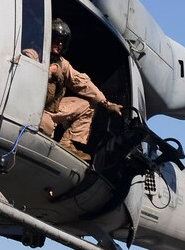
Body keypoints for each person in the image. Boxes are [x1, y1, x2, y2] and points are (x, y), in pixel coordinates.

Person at [39, 18, 123, 163]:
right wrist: (49, 71)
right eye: (56, 39)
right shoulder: (34, 53)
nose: (59, 44)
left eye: (62, 42)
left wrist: (107, 104)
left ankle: (68, 142)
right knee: (44, 128)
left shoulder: (63, 64)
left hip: (51, 109)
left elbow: (83, 83)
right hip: (32, 108)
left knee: (88, 106)